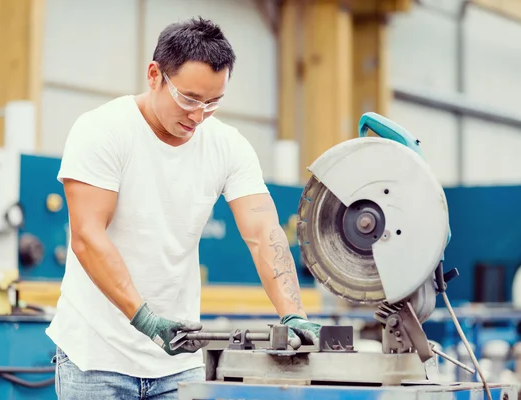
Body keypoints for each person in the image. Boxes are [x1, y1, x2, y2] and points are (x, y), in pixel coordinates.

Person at [46, 17, 321, 399]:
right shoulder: (102, 130)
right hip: (96, 358)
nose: (198, 115)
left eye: (213, 102)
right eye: (189, 99)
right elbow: (88, 237)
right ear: (154, 75)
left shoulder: (229, 146)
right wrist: (145, 320)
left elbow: (263, 234)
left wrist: (293, 313)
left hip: (179, 361)